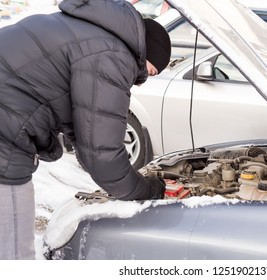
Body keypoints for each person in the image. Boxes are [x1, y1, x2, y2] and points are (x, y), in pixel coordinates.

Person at [0, 0, 171, 260]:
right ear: (145, 53)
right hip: (4, 137)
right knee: (13, 252)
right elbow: (103, 155)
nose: (144, 79)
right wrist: (148, 190)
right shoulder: (112, 54)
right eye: (151, 70)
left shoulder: (88, 28)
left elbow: (84, 127)